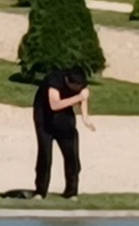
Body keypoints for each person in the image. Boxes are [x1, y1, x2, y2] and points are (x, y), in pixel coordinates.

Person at [32, 67, 94, 199]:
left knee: (72, 155)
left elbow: (83, 97)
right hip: (44, 119)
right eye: (77, 87)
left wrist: (85, 117)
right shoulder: (54, 81)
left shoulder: (79, 84)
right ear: (69, 82)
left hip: (65, 117)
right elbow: (54, 105)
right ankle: (40, 191)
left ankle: (71, 192)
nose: (80, 89)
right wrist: (78, 97)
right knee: (45, 156)